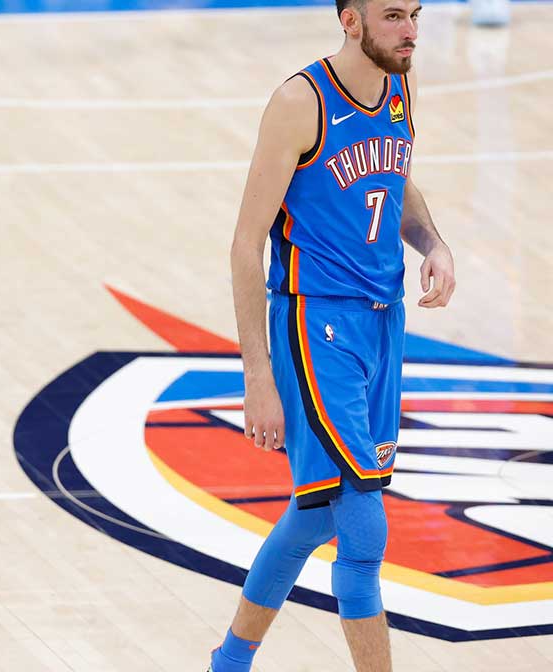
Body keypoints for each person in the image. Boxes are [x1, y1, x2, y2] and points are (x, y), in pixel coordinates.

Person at [213, 0, 455, 670]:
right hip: (314, 321)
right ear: (351, 21)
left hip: (383, 319)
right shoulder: (300, 102)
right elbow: (243, 245)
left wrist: (433, 243)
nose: (409, 30)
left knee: (316, 513)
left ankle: (227, 662)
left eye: (414, 13)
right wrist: (257, 377)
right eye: (391, 17)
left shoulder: (400, 82)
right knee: (362, 525)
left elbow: (393, 178)